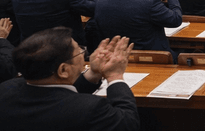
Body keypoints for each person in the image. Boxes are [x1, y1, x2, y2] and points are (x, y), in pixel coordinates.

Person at [0, 29, 139, 131]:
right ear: (63, 70)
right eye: (80, 51)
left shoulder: (6, 89)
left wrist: (93, 73)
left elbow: (59, 96)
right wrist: (115, 76)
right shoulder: (90, 109)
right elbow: (128, 122)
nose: (84, 54)